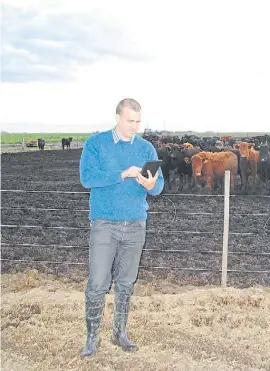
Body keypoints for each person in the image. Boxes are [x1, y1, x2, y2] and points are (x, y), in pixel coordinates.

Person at [78, 98, 164, 357]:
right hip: (104, 223)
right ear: (118, 117)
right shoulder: (96, 144)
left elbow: (159, 187)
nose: (135, 127)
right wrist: (122, 174)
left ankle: (119, 333)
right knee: (97, 283)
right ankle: (92, 339)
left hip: (136, 224)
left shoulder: (147, 148)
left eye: (138, 122)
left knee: (126, 282)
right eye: (130, 121)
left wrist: (151, 186)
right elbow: (86, 178)